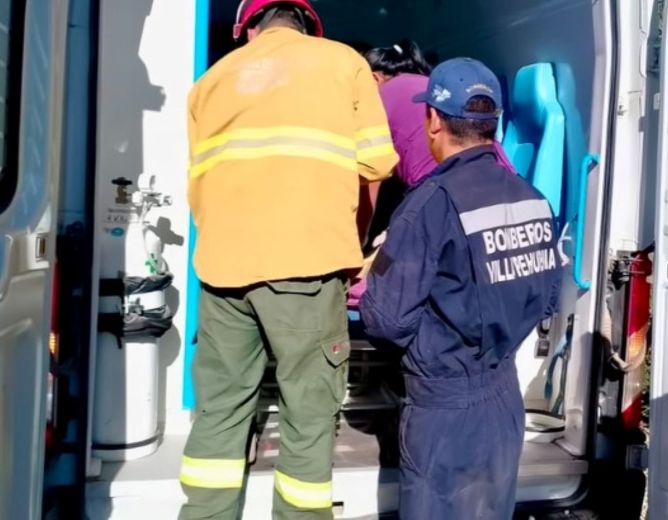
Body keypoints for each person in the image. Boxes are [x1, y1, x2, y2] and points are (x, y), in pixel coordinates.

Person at [179, 1, 398, 518]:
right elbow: (377, 161)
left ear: (248, 28)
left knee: (221, 406)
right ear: (306, 24)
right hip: (306, 264)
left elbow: (201, 178)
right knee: (309, 406)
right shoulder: (342, 63)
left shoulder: (209, 82)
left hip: (222, 268)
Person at [359, 58, 562, 519]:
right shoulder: (532, 200)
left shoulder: (427, 204)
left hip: (443, 407)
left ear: (432, 119)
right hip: (504, 399)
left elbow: (385, 320)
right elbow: (545, 297)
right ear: (493, 124)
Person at [348, 42, 519, 307]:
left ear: (373, 79)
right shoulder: (427, 87)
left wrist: (354, 259)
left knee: (367, 290)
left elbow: (368, 190)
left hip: (448, 202)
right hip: (498, 192)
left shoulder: (378, 101)